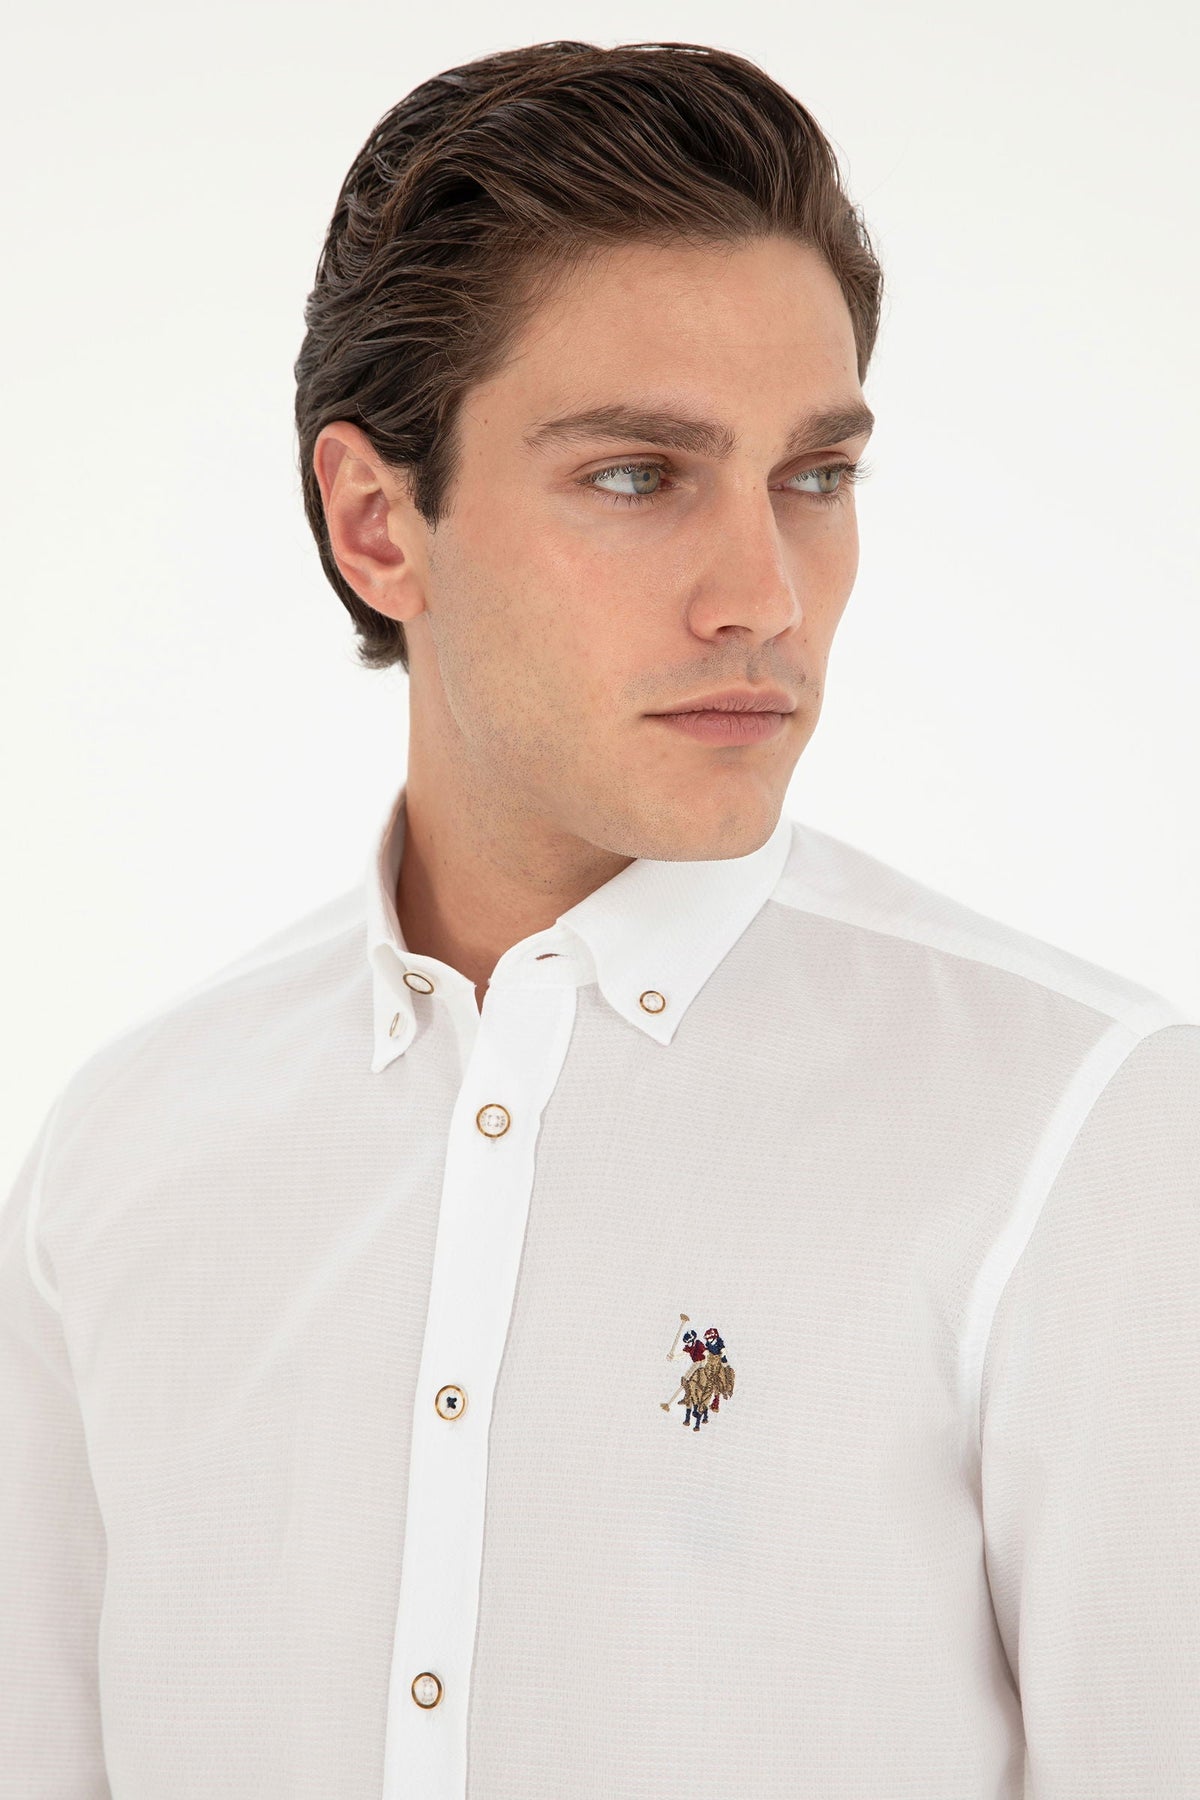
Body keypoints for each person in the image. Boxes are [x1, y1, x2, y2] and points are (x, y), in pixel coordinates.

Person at [2, 37, 1197, 1800]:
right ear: (377, 524)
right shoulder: (122, 1163)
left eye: (815, 475)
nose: (762, 596)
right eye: (639, 476)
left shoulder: (1086, 1135)